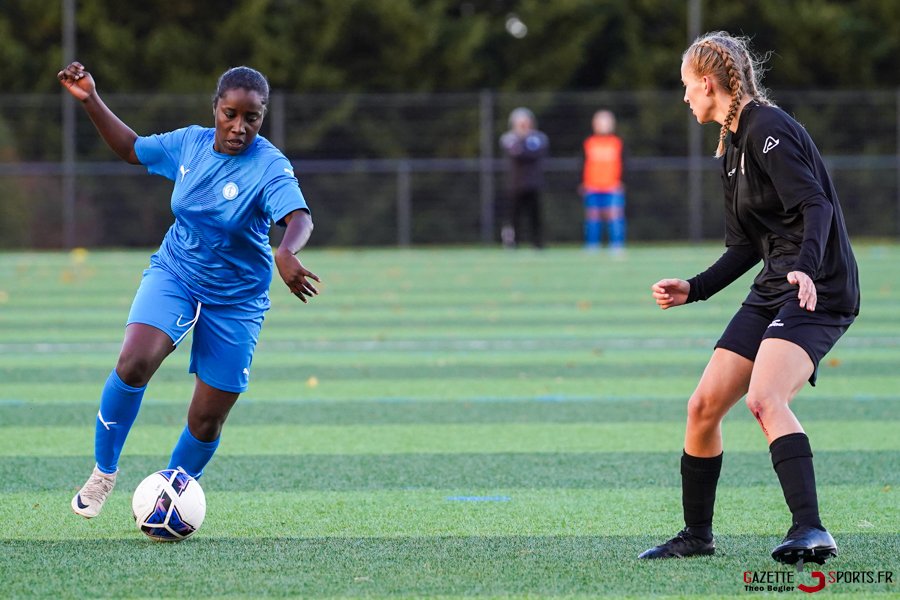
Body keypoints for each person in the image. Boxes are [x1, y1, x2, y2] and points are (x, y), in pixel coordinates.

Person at [58, 62, 320, 518]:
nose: (239, 127)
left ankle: (170, 496)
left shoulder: (270, 165)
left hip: (238, 299)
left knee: (207, 418)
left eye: (251, 117)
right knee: (135, 361)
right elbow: (131, 148)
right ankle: (103, 474)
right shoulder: (188, 143)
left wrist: (287, 251)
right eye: (230, 114)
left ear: (263, 116)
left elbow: (299, 217)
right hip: (176, 273)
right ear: (216, 109)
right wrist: (91, 99)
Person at [641, 32, 859, 567]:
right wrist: (695, 288)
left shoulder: (768, 129)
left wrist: (806, 269)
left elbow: (816, 207)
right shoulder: (732, 145)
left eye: (687, 87)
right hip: (775, 285)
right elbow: (744, 247)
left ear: (709, 84)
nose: (685, 97)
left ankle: (811, 529)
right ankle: (697, 535)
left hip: (819, 284)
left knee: (765, 398)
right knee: (703, 406)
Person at [500, 108, 549, 249]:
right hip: (515, 184)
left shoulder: (539, 138)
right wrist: (525, 152)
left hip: (534, 183)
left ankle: (537, 243)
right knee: (513, 217)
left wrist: (522, 151)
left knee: (535, 216)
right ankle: (511, 243)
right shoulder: (509, 138)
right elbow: (515, 154)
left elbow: (534, 154)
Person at [581, 110, 626, 253]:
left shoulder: (617, 142)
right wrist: (583, 182)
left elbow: (625, 164)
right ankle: (592, 246)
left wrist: (622, 181)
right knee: (593, 217)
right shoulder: (589, 142)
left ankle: (617, 246)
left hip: (612, 186)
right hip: (592, 186)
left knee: (615, 216)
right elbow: (582, 164)